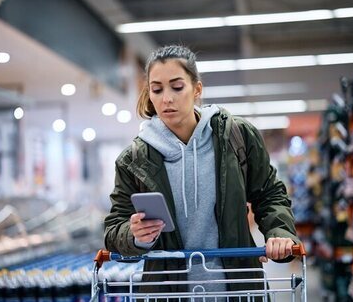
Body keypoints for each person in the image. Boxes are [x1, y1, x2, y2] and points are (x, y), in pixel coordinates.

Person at [104, 45, 300, 294]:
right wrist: (135, 235)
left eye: (177, 87)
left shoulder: (236, 137)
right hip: (167, 293)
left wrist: (279, 232)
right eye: (157, 89)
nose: (167, 98)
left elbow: (269, 193)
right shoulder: (133, 159)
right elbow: (113, 230)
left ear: (197, 89)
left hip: (238, 289)